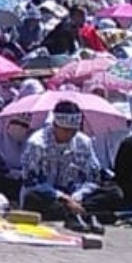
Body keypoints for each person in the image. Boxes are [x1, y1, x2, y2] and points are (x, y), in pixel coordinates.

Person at [20, 100, 108, 234]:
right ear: (55, 125)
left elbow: (93, 176)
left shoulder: (84, 142)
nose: (70, 134)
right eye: (66, 130)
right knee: (33, 198)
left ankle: (77, 213)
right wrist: (64, 198)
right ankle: (83, 214)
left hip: (76, 194)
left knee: (114, 192)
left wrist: (77, 197)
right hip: (50, 195)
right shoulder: (37, 143)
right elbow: (31, 180)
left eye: (74, 130)